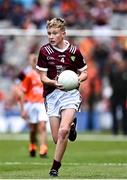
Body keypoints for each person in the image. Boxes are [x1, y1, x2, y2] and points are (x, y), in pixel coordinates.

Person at [36, 18, 88, 177]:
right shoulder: (44, 51)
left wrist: (77, 80)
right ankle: (73, 125)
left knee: (62, 131)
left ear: (63, 34)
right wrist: (53, 82)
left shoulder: (74, 51)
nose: (51, 36)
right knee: (56, 137)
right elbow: (42, 77)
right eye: (49, 33)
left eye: (55, 33)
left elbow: (84, 72)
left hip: (70, 94)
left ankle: (54, 168)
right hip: (52, 95)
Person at [19, 53, 49, 157]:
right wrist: (22, 109)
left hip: (42, 104)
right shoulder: (29, 76)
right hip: (31, 104)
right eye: (33, 61)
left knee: (42, 126)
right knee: (33, 129)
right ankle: (32, 145)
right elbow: (23, 92)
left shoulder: (45, 75)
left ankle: (43, 148)